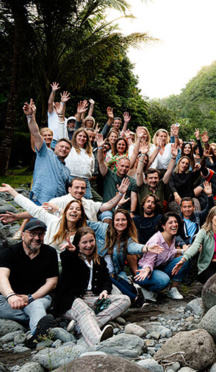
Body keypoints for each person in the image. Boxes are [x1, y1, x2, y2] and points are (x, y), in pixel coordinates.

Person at [53, 227, 130, 346]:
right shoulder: (70, 257)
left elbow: (106, 279)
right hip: (70, 300)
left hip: (91, 298)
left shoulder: (98, 260)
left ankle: (82, 326)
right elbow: (68, 265)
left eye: (91, 241)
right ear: (77, 243)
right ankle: (97, 341)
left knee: (124, 299)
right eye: (84, 242)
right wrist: (72, 252)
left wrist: (105, 290)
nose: (88, 245)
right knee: (86, 311)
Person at [0, 220, 58, 349]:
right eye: (32, 234)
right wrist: (11, 296)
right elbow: (2, 276)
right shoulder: (9, 252)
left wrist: (31, 297)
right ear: (23, 234)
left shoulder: (50, 253)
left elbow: (52, 282)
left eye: (40, 234)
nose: (36, 238)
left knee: (37, 306)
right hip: (9, 299)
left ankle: (35, 336)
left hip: (38, 297)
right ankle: (37, 320)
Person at [24, 99, 71, 204]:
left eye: (67, 148)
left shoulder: (67, 171)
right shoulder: (46, 153)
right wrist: (30, 116)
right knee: (36, 220)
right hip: (40, 198)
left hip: (56, 205)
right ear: (56, 146)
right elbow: (35, 133)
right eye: (61, 146)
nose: (64, 149)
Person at [134, 213, 190, 301]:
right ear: (163, 226)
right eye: (170, 222)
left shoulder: (171, 237)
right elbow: (149, 260)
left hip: (160, 269)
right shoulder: (156, 239)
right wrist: (147, 269)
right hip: (144, 271)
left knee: (186, 259)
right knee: (164, 280)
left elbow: (170, 252)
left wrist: (183, 251)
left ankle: (172, 289)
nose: (174, 224)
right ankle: (146, 290)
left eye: (175, 222)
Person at [173, 206, 216, 282]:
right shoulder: (203, 232)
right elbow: (195, 246)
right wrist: (183, 259)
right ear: (211, 217)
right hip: (207, 266)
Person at [97, 134, 138, 222]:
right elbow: (100, 162)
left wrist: (132, 212)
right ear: (117, 165)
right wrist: (100, 148)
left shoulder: (132, 181)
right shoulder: (108, 174)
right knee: (107, 219)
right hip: (108, 209)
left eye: (127, 167)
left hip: (124, 212)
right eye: (122, 166)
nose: (124, 168)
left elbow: (134, 198)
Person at [65, 128, 95, 199]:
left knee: (87, 202)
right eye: (80, 136)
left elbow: (92, 168)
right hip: (71, 178)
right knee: (71, 201)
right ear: (75, 137)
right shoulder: (70, 149)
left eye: (84, 136)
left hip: (85, 180)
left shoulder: (89, 152)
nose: (82, 138)